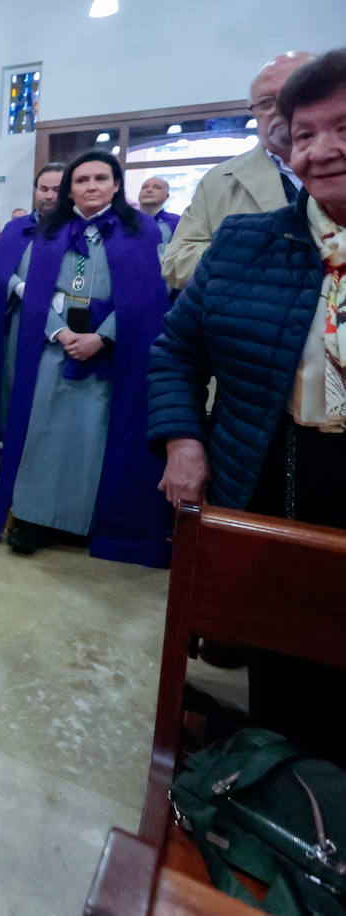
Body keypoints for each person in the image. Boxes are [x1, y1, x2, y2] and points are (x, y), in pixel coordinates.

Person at [149, 47, 346, 764]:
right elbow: (176, 352)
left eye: (343, 128)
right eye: (305, 132)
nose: (322, 150)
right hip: (273, 468)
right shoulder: (245, 243)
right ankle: (286, 813)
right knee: (284, 668)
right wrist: (183, 440)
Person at [0, 150, 171, 565]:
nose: (91, 186)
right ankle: (35, 518)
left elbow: (148, 297)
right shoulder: (50, 231)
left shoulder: (141, 231)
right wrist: (60, 330)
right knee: (43, 431)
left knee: (94, 437)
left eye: (100, 178)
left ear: (117, 184)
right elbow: (33, 290)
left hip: (110, 353)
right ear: (70, 187)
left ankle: (86, 522)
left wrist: (102, 338)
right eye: (82, 180)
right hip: (55, 345)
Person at [162, 51, 316, 289]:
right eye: (266, 102)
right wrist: (254, 259)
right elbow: (175, 262)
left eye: (295, 94)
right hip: (251, 317)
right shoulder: (219, 179)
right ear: (254, 112)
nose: (279, 109)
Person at [0, 163, 67, 448]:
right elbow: (0, 268)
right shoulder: (18, 228)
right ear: (35, 191)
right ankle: (10, 437)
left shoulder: (74, 228)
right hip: (19, 315)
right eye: (44, 189)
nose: (49, 195)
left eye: (56, 189)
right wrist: (18, 286)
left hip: (61, 321)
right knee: (13, 381)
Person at [136, 176, 180, 244]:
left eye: (157, 187)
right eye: (144, 187)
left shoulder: (177, 222)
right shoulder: (124, 220)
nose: (149, 190)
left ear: (166, 196)